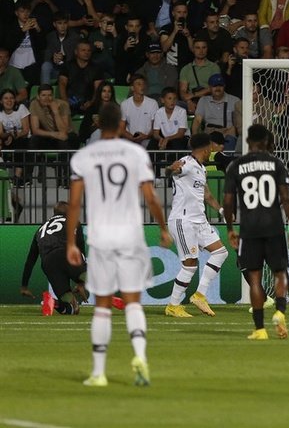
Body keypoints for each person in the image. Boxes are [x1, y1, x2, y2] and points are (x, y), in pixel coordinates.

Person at [65, 104, 171, 387]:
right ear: (122, 124)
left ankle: (99, 373)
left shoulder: (84, 157)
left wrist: (70, 243)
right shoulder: (135, 153)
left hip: (101, 238)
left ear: (99, 125)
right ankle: (140, 357)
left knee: (101, 307)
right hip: (130, 236)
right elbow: (150, 197)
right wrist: (162, 228)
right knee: (133, 302)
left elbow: (74, 203)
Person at [224, 123, 289, 340]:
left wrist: (230, 228)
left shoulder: (236, 166)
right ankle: (279, 311)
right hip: (273, 226)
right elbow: (286, 198)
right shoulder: (276, 163)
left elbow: (228, 201)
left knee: (255, 279)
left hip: (249, 229)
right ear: (266, 142)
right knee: (280, 273)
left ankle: (259, 330)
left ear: (247, 141)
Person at [162, 133, 228, 319]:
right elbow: (172, 171)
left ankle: (199, 295)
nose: (212, 152)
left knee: (221, 252)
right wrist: (170, 169)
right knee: (190, 265)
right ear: (206, 148)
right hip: (184, 221)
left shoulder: (201, 168)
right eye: (211, 149)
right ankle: (173, 305)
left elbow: (207, 195)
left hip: (200, 220)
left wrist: (221, 210)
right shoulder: (187, 163)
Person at [20, 201, 101, 315]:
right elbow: (80, 251)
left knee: (70, 309)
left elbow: (30, 261)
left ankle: (56, 302)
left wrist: (24, 286)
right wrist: (81, 282)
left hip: (48, 263)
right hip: (67, 254)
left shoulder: (40, 230)